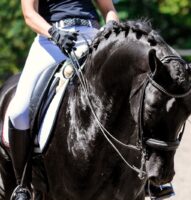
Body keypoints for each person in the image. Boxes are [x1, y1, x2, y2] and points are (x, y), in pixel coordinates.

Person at [8, 0, 119, 199]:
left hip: (93, 37)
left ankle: (152, 177)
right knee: (19, 111)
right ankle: (22, 185)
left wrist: (111, 26)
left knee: (132, 88)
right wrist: (54, 33)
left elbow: (109, 10)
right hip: (51, 40)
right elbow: (29, 14)